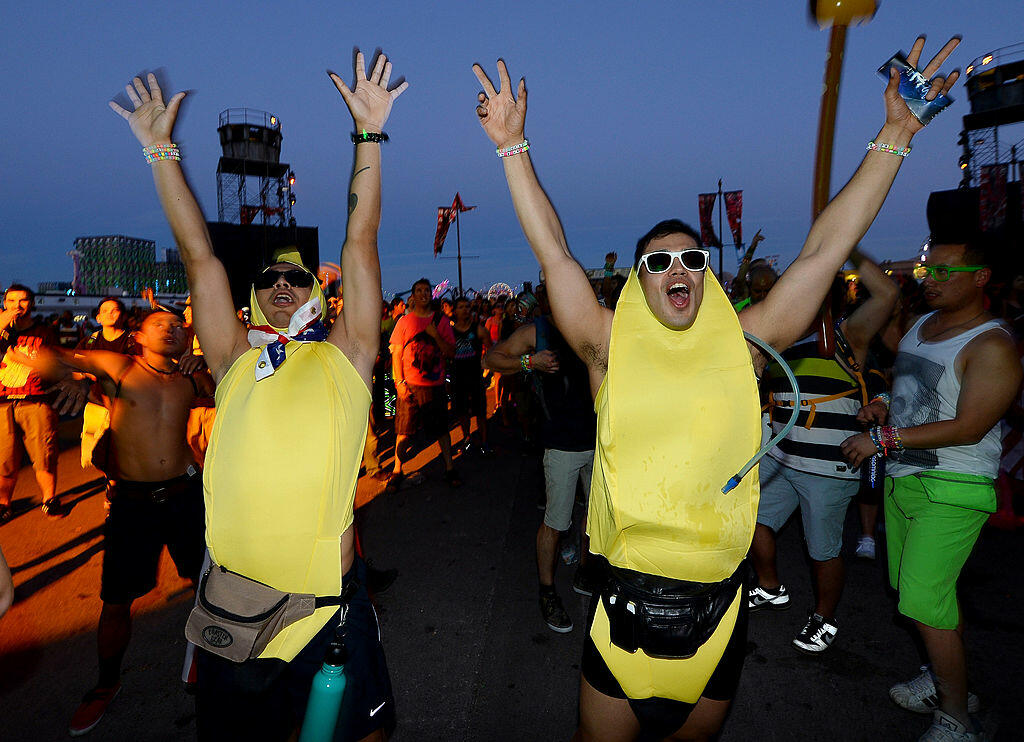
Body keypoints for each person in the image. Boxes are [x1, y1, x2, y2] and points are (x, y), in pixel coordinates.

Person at [472, 36, 960, 741]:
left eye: (691, 257)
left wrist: (896, 132)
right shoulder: (608, 346)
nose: (678, 265)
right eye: (658, 259)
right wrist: (512, 147)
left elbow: (823, 251)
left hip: (720, 616)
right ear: (641, 280)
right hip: (623, 612)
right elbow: (554, 251)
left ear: (706, 274)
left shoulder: (747, 343)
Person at [109, 50, 405, 742]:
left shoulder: (347, 357)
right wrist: (161, 152)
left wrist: (368, 137)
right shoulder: (234, 360)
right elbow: (198, 256)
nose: (282, 284)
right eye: (270, 277)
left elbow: (360, 242)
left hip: (324, 610)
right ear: (253, 295)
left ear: (316, 294)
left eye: (297, 278)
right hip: (232, 609)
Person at [841, 238, 1019, 742]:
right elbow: (908, 378)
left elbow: (970, 426)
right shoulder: (922, 327)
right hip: (905, 479)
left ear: (982, 277)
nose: (929, 280)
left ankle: (957, 719)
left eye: (944, 272)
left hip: (954, 485)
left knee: (921, 599)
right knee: (923, 597)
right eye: (926, 271)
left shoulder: (992, 345)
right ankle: (947, 683)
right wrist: (881, 400)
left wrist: (883, 436)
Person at [20, 309, 214, 736]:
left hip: (186, 497)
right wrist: (68, 379)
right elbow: (39, 357)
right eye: (159, 324)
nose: (172, 329)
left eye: (178, 326)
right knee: (117, 599)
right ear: (138, 335)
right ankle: (106, 683)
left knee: (209, 584)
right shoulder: (119, 366)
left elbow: (227, 391)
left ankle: (209, 660)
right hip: (134, 502)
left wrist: (204, 366)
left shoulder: (190, 377)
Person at [749, 250, 898, 653]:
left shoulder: (845, 334)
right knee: (753, 525)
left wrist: (844, 245)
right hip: (780, 460)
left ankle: (825, 618)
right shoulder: (773, 339)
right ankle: (770, 587)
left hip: (829, 468)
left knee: (822, 550)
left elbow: (886, 295)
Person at [485, 310, 597, 633]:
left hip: (599, 440)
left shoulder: (592, 322)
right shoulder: (539, 331)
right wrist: (528, 363)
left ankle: (585, 571)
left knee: (595, 514)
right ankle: (547, 591)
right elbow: (492, 359)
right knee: (556, 522)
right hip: (561, 444)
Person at [388, 277, 461, 491]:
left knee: (441, 430)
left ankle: (449, 468)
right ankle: (397, 470)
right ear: (413, 296)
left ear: (432, 294)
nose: (423, 294)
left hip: (434, 385)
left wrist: (435, 335)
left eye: (427, 290)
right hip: (410, 385)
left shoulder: (441, 322)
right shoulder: (404, 322)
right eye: (419, 290)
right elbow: (396, 354)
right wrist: (399, 382)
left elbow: (450, 352)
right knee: (403, 430)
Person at [1, 284, 62, 520]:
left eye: (23, 300)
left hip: (36, 401)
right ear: (4, 303)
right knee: (4, 459)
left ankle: (49, 499)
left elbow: (55, 364)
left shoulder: (45, 333)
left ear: (33, 303)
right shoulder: (2, 332)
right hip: (3, 403)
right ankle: (4, 503)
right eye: (12, 300)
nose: (17, 305)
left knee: (44, 455)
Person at [452, 295, 493, 454]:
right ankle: (467, 438)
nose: (464, 310)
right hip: (458, 377)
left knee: (481, 412)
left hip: (475, 377)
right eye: (461, 307)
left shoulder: (479, 330)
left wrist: (486, 367)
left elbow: (490, 350)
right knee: (462, 412)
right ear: (455, 311)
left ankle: (484, 442)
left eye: (467, 307)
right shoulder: (450, 331)